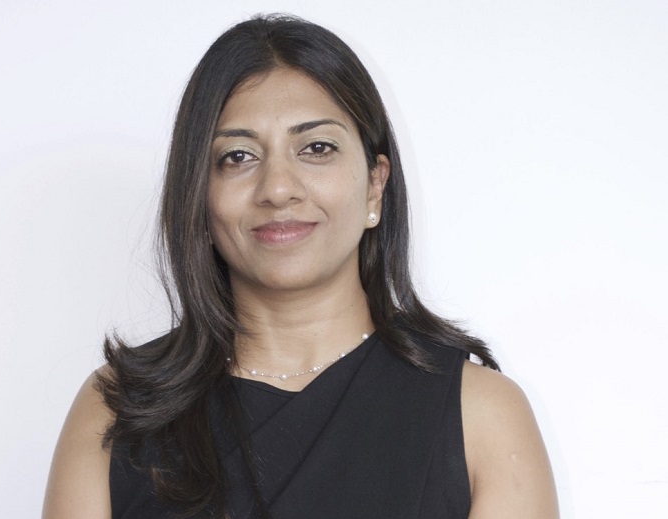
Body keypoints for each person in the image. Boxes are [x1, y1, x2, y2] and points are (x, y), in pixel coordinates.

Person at [43, 14, 559, 519]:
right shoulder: (115, 411)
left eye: (316, 148)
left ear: (375, 185)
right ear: (198, 192)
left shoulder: (482, 415)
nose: (277, 189)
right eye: (238, 156)